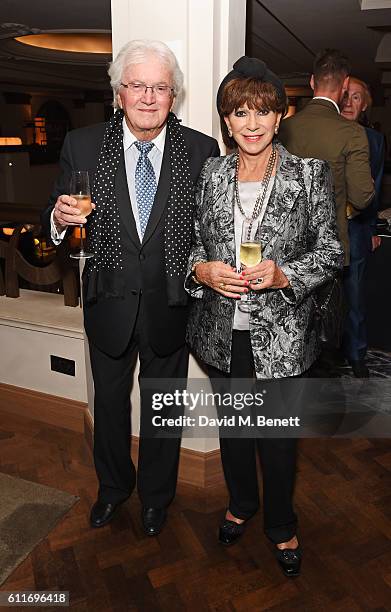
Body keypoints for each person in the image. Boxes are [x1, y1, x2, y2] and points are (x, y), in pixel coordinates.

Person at [41, 39, 219, 536]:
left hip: (171, 306)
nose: (148, 96)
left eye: (160, 87)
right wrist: (58, 218)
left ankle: (157, 498)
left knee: (164, 408)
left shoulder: (201, 150)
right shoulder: (81, 144)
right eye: (137, 85)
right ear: (119, 92)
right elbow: (54, 212)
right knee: (110, 407)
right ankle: (114, 490)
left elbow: (213, 231)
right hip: (109, 303)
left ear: (173, 95)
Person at [185, 56, 344, 577]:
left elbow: (329, 253)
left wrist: (284, 276)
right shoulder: (210, 173)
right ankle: (241, 504)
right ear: (225, 121)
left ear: (281, 116)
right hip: (221, 329)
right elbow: (190, 248)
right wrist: (204, 271)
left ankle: (281, 524)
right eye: (239, 113)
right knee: (234, 432)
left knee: (275, 438)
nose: (250, 124)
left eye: (262, 112)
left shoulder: (308, 174)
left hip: (282, 332)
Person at [279, 49, 374, 371]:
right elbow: (362, 197)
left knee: (292, 328)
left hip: (287, 248)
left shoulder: (286, 128)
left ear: (311, 81)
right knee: (327, 329)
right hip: (328, 248)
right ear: (345, 86)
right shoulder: (351, 132)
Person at [340, 77, 385, 377]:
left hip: (357, 228)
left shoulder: (374, 140)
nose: (349, 102)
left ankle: (357, 354)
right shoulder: (327, 132)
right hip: (325, 227)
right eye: (345, 95)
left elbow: (375, 186)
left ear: (364, 105)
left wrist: (372, 228)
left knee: (355, 293)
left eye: (356, 97)